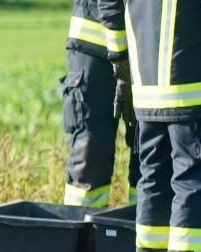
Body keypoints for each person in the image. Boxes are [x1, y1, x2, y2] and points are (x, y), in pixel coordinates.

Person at [98, 0, 201, 252]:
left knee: (154, 186)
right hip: (198, 86)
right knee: (197, 188)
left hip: (147, 90)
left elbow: (109, 5)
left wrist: (120, 61)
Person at [62, 0, 140, 208]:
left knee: (149, 148)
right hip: (93, 42)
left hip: (146, 43)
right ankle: (80, 225)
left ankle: (144, 223)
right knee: (89, 150)